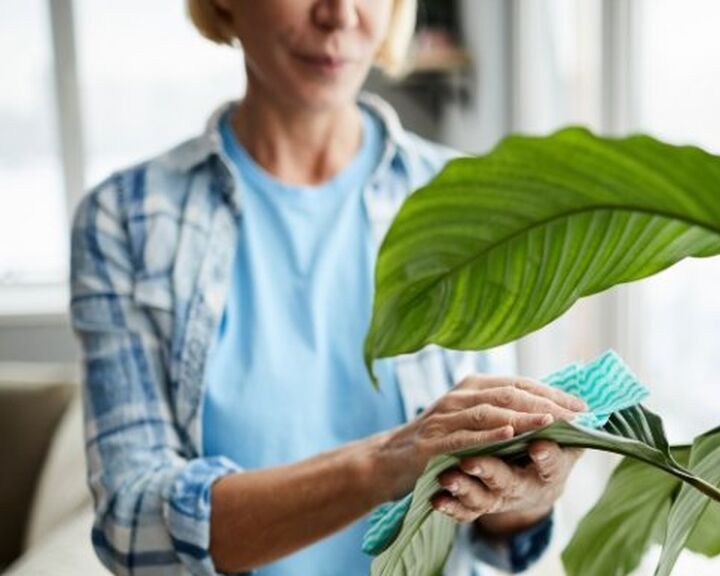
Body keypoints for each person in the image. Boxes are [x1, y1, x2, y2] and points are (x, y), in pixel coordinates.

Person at [69, 1, 585, 574]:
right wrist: (389, 459)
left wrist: (526, 491)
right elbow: (133, 523)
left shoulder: (466, 199)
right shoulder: (127, 219)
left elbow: (491, 532)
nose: (339, 15)